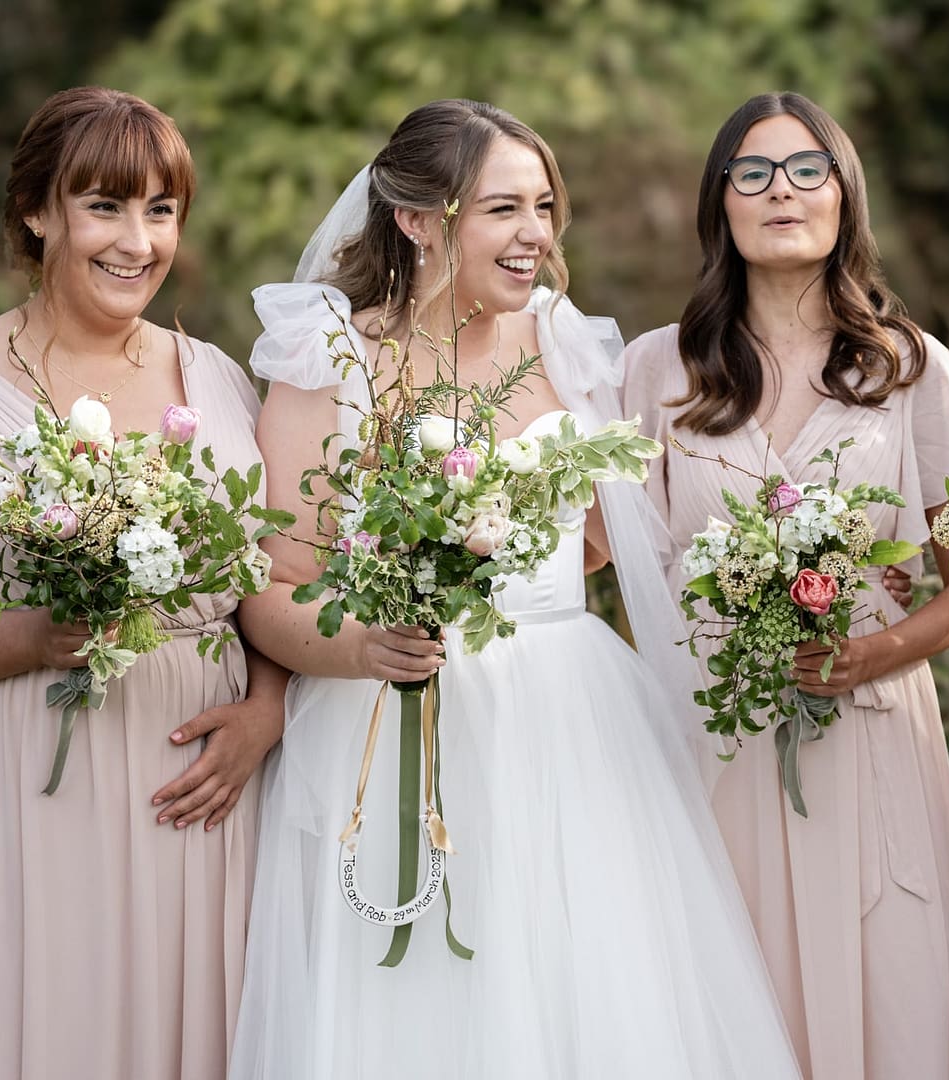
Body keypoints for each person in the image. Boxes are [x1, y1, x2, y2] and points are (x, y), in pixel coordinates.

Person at [227, 98, 800, 1080]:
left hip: (573, 717)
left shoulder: (564, 342)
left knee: (592, 997)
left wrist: (516, 565)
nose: (536, 232)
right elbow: (276, 583)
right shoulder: (332, 356)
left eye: (543, 206)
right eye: (503, 208)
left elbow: (590, 543)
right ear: (418, 218)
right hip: (387, 710)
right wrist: (367, 642)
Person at [0, 87, 286, 1080]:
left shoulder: (219, 383)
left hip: (190, 799)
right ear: (38, 212)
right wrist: (21, 639)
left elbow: (276, 589)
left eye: (161, 210)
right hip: (5, 788)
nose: (138, 241)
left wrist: (269, 714)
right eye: (105, 205)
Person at [622, 91, 949, 1080]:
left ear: (844, 196)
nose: (779, 191)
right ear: (721, 204)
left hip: (870, 744)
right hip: (710, 750)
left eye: (805, 170)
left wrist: (875, 650)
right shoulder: (655, 371)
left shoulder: (912, 370)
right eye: (752, 172)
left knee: (892, 1015)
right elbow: (601, 564)